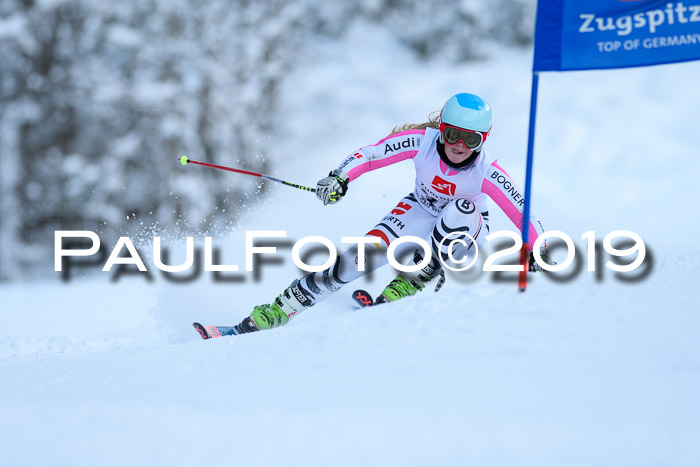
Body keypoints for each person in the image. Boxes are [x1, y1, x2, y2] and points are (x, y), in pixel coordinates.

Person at [233, 93, 553, 334]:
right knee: (357, 259)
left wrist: (538, 249)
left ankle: (411, 282)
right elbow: (371, 154)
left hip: (466, 230)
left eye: (470, 139)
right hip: (419, 209)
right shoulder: (421, 142)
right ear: (441, 129)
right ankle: (281, 308)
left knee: (461, 209)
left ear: (483, 140)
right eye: (452, 134)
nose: (459, 145)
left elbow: (522, 210)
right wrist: (340, 176)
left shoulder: (486, 172)